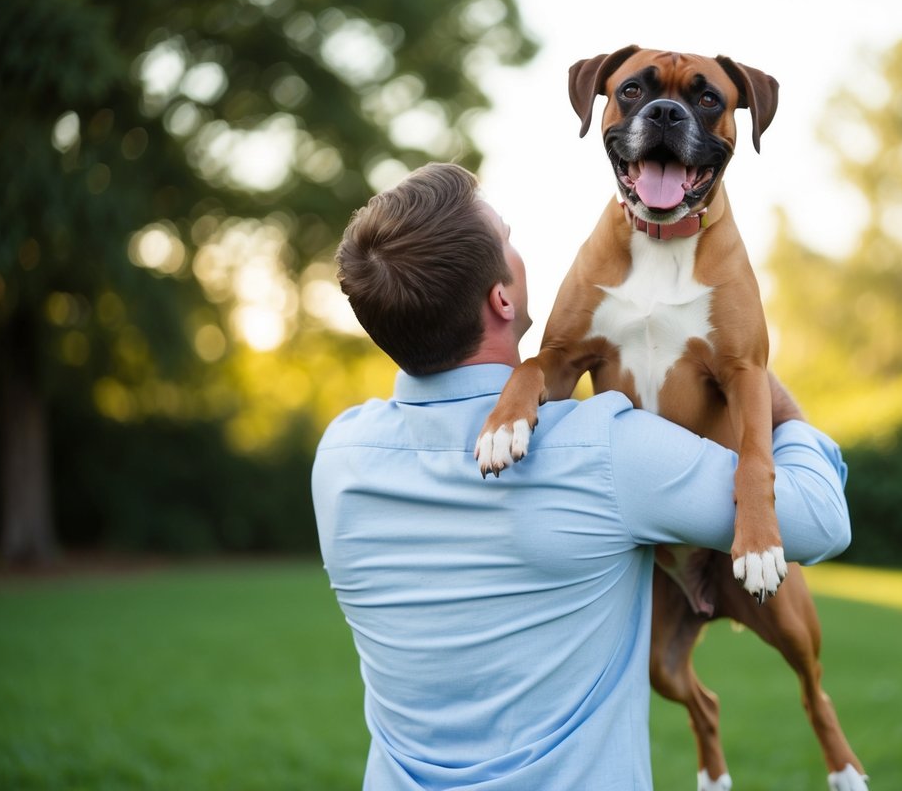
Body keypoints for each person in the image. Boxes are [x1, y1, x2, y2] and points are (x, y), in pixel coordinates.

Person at [311, 162, 852, 790]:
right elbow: (819, 519)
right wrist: (763, 389)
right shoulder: (605, 451)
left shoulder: (340, 459)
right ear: (502, 299)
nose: (521, 248)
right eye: (509, 238)